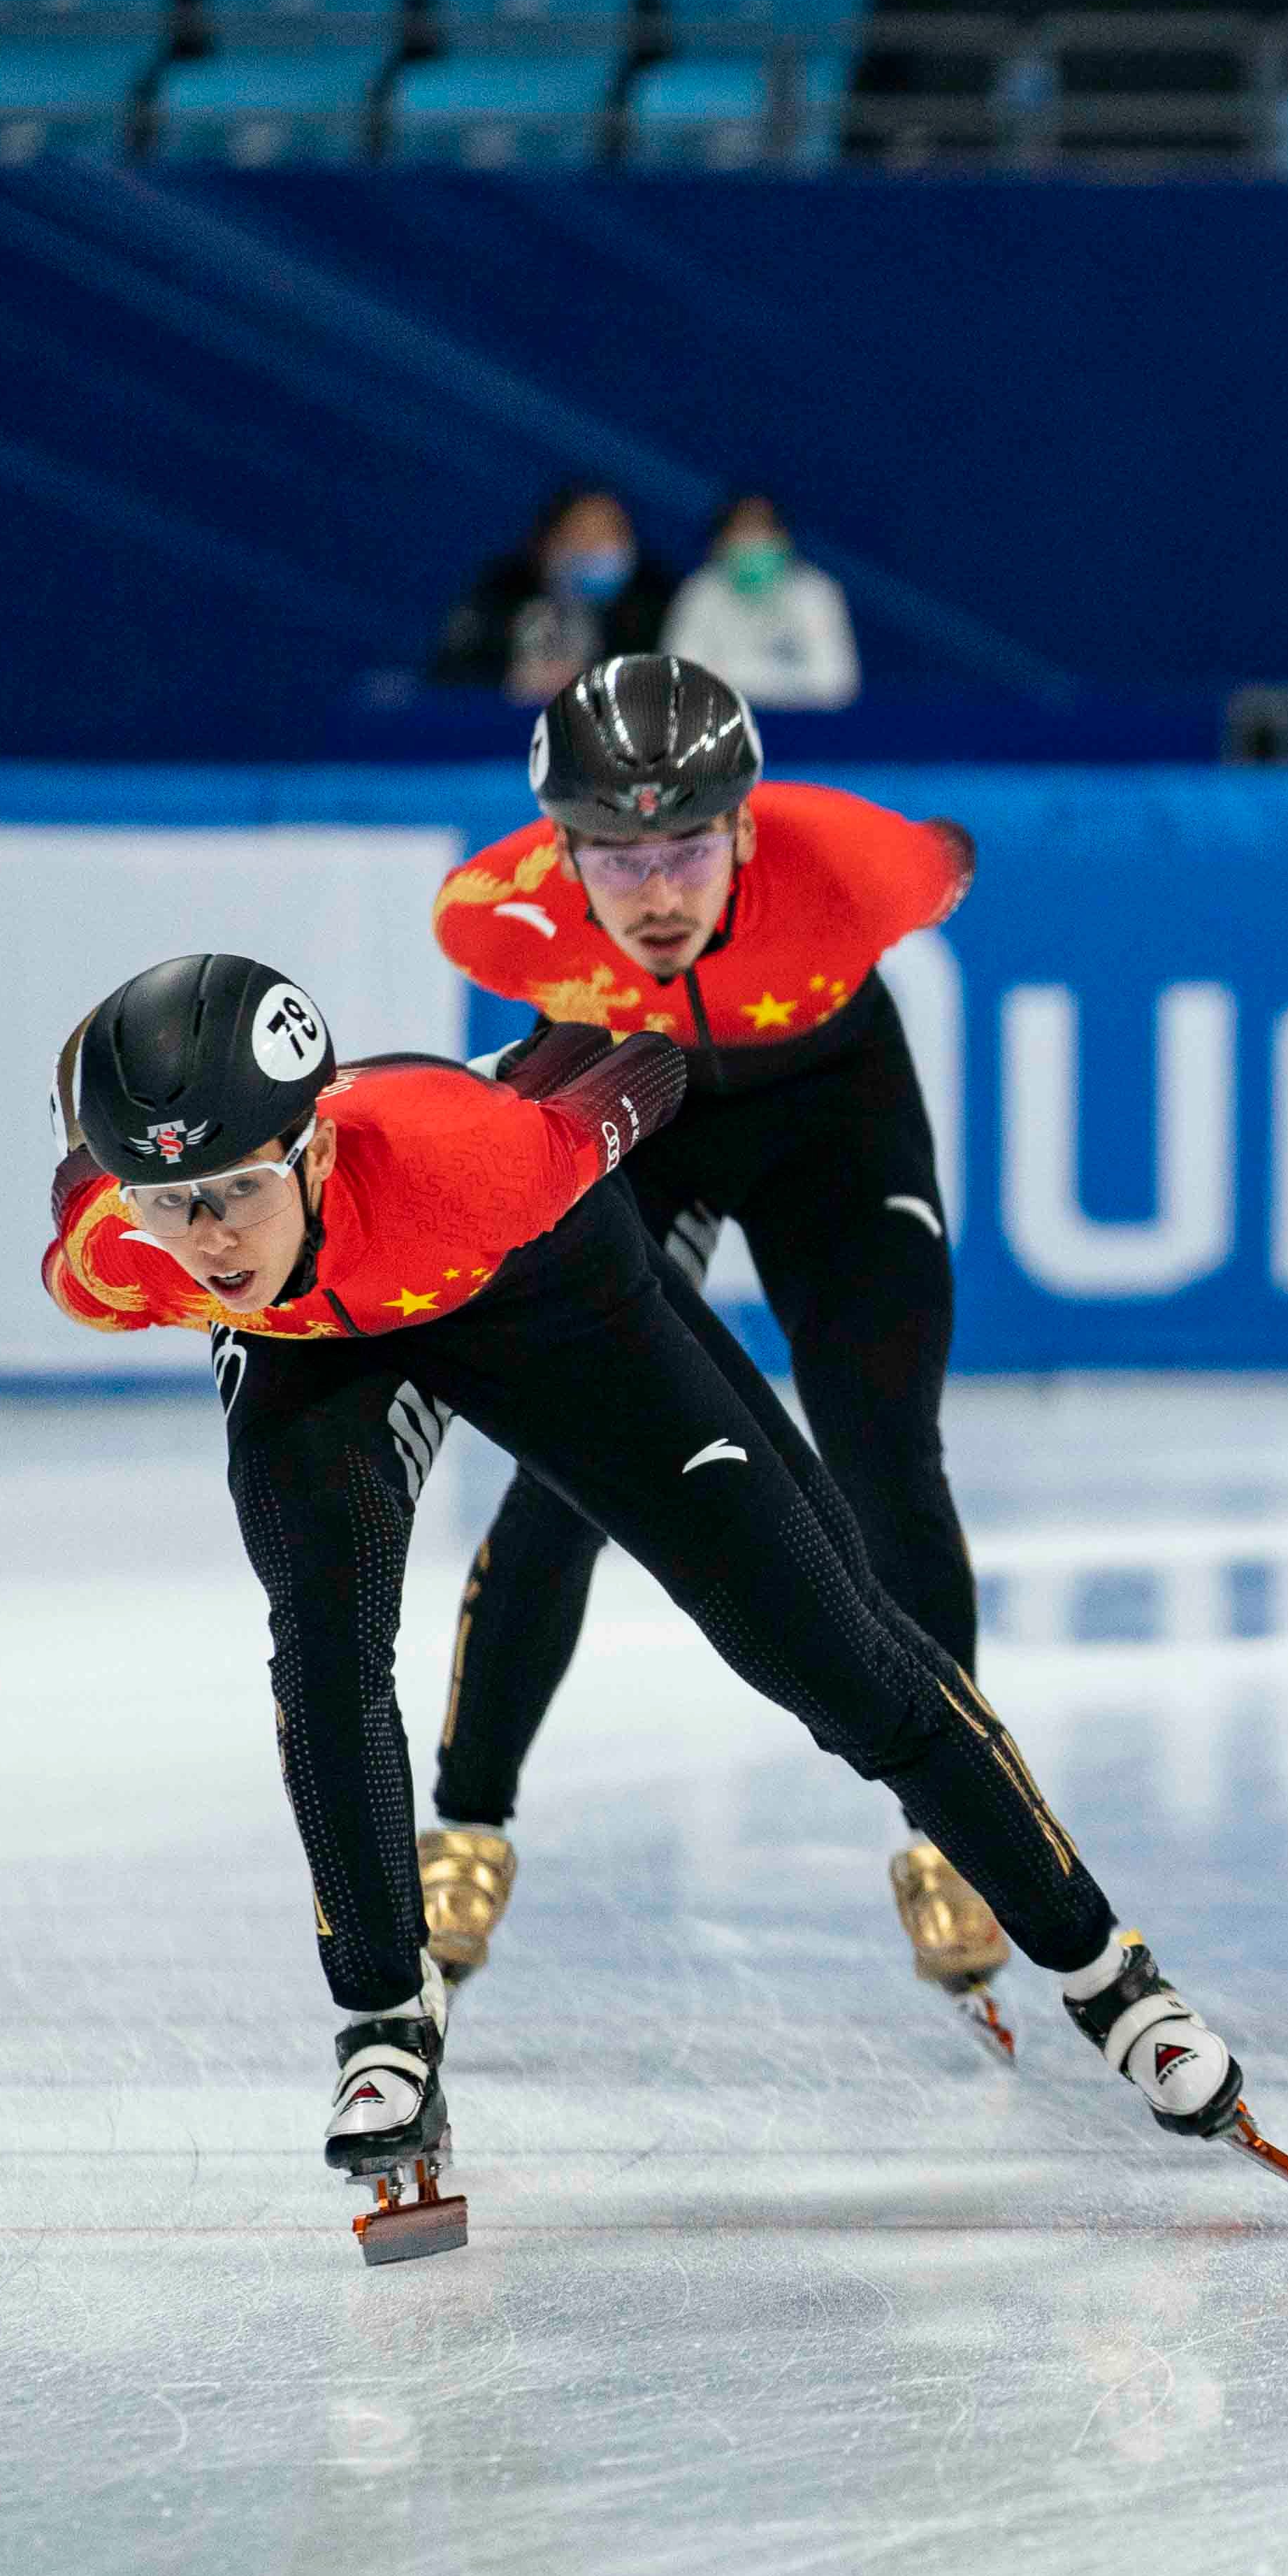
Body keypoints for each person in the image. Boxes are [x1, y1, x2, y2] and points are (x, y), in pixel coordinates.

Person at [38, 953, 1288, 2256]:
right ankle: (383, 2027)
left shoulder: (491, 1158)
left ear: (306, 1148)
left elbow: (632, 1064)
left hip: (538, 1286)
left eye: (238, 1191)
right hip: (321, 1355)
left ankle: (1110, 1979)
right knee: (322, 1650)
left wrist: (576, 1072)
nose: (211, 1238)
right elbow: (104, 1189)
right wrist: (149, 1183)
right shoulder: (114, 1256)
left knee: (835, 1650)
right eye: (172, 1203)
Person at [413, 654, 997, 2043]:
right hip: (638, 1107)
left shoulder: (864, 866)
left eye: (685, 844)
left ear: (745, 826)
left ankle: (958, 1827)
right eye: (616, 852)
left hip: (831, 1117)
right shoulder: (492, 923)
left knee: (879, 1445)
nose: (658, 888)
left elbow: (951, 855)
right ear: (562, 849)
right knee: (575, 1471)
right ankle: (466, 1829)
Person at [430, 486, 675, 705]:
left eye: (609, 534)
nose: (594, 549)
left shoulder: (654, 608)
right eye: (582, 534)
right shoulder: (501, 596)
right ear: (550, 542)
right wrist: (510, 680)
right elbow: (451, 674)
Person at [663, 490, 862, 710]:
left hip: (803, 728)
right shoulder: (700, 591)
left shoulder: (816, 593)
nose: (752, 542)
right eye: (742, 531)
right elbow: (679, 677)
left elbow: (837, 683)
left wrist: (738, 675)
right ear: (719, 543)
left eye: (761, 530)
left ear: (784, 539)